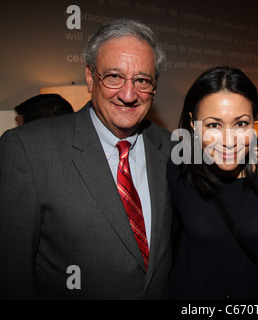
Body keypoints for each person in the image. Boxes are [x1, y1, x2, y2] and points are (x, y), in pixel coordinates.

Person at [0, 19, 173, 299]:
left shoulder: (167, 147)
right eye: (114, 76)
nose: (129, 95)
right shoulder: (28, 149)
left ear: (154, 86)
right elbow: (11, 275)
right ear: (91, 78)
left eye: (142, 80)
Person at [168, 66, 258, 299]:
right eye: (213, 125)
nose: (228, 141)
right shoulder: (178, 172)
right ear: (193, 124)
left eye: (241, 124)